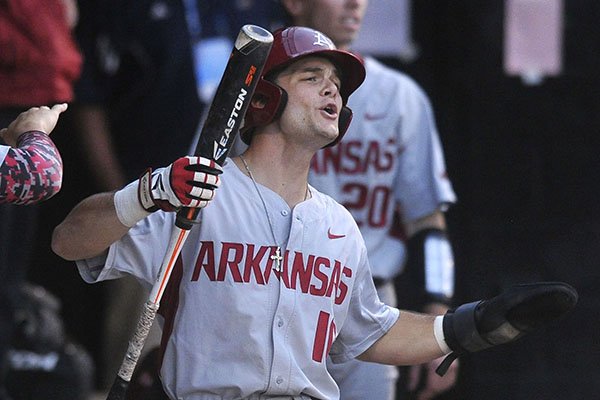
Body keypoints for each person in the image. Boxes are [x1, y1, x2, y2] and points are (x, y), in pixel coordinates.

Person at [51, 26, 577, 400]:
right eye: (312, 76)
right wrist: (147, 192)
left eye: (338, 84)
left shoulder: (339, 225)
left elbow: (369, 332)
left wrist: (469, 327)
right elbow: (69, 240)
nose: (334, 89)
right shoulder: (200, 194)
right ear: (261, 102)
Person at [279, 1, 457, 399]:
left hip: (370, 299)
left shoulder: (399, 96)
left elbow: (428, 221)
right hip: (277, 292)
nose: (355, 4)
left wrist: (438, 311)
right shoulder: (253, 86)